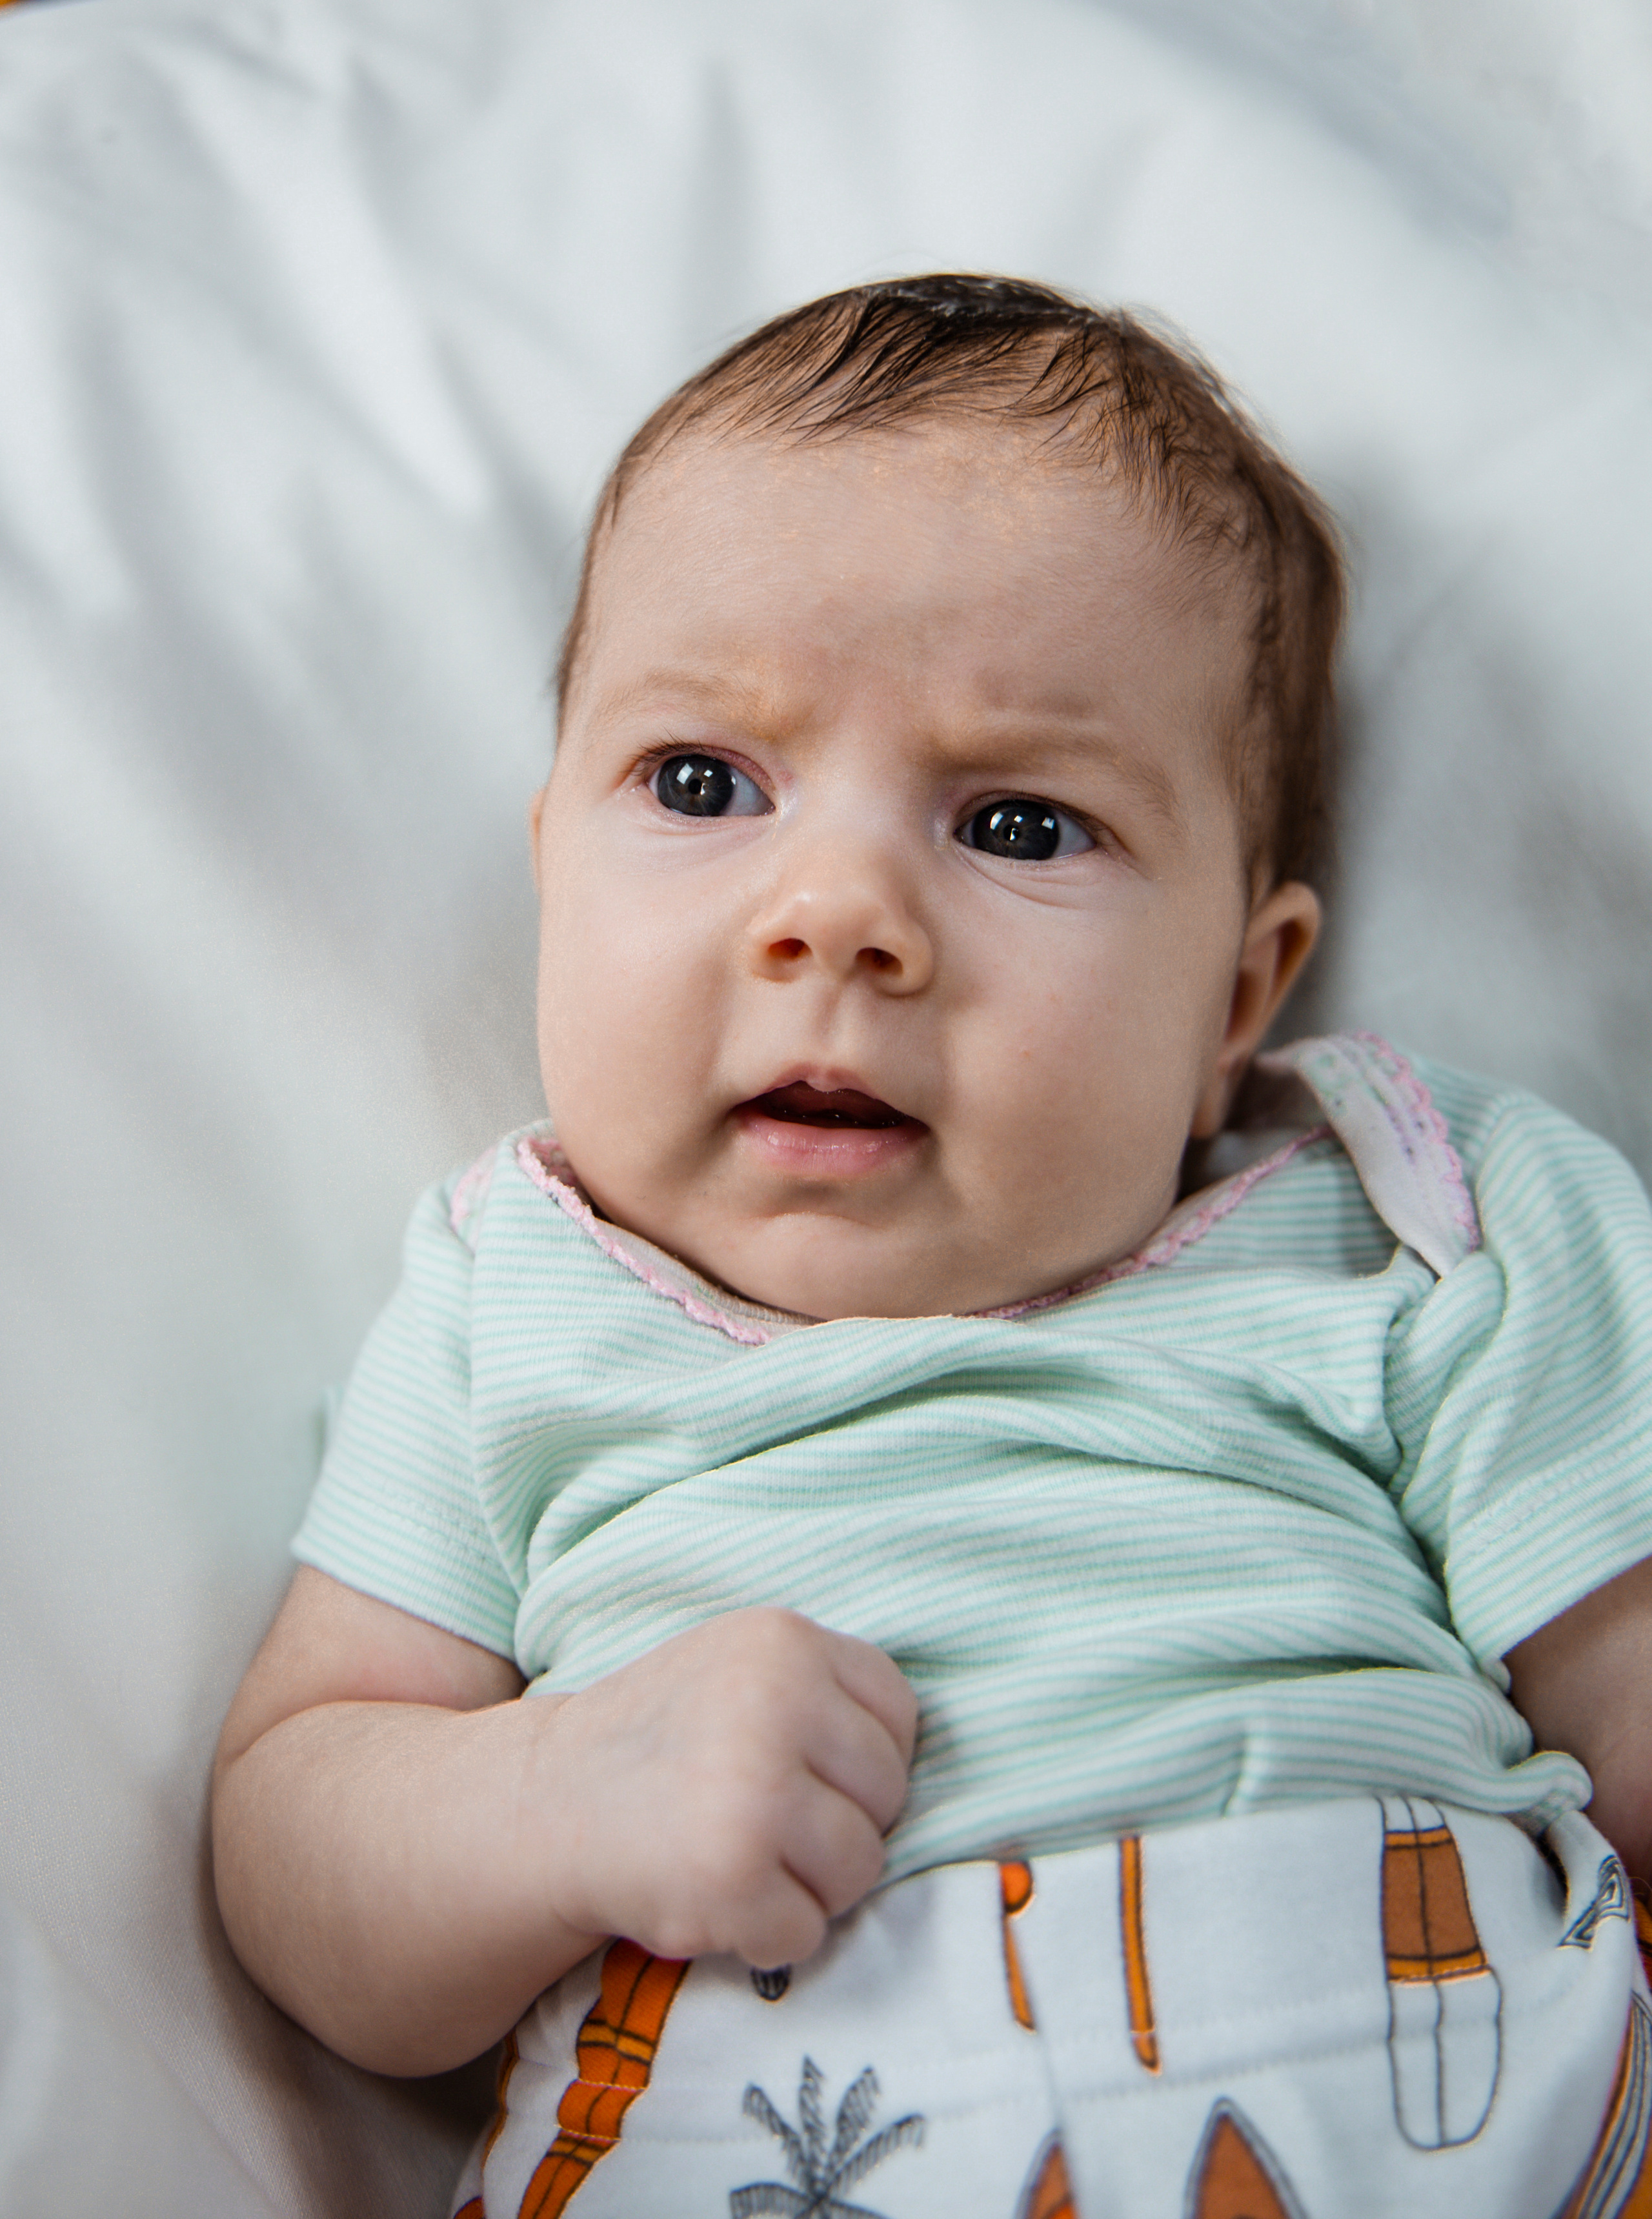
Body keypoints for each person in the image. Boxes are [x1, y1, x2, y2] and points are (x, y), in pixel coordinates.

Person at [211, 276, 1652, 2219]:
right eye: (705, 784)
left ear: (1239, 989)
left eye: (1018, 823)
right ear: (552, 859)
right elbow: (298, 1844)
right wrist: (557, 1800)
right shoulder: (507, 1293)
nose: (841, 918)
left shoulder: (1413, 1216)